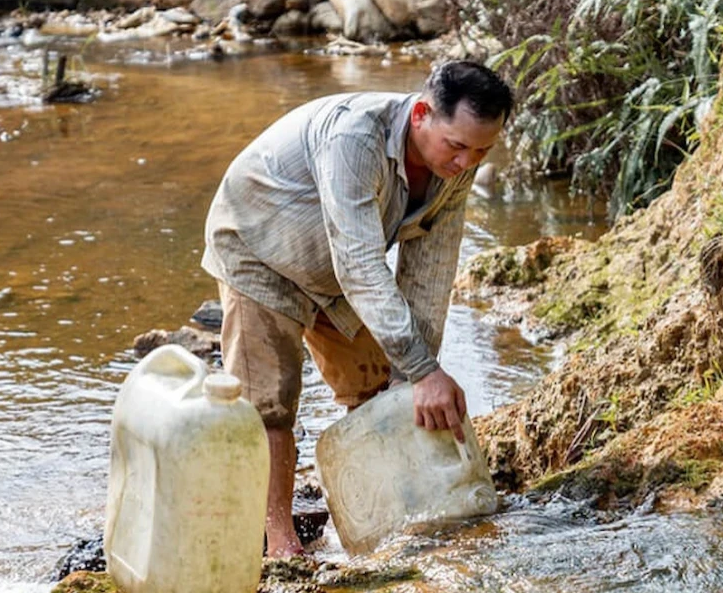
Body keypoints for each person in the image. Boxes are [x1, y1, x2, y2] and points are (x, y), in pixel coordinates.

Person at [201, 60, 514, 557]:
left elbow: (429, 272)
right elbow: (362, 265)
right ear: (420, 114)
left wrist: (414, 374)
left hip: (335, 263)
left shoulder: (453, 170)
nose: (467, 163)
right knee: (270, 403)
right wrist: (424, 370)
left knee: (381, 389)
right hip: (259, 244)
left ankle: (388, 521)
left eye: (483, 151)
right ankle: (280, 545)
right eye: (457, 146)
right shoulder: (355, 137)